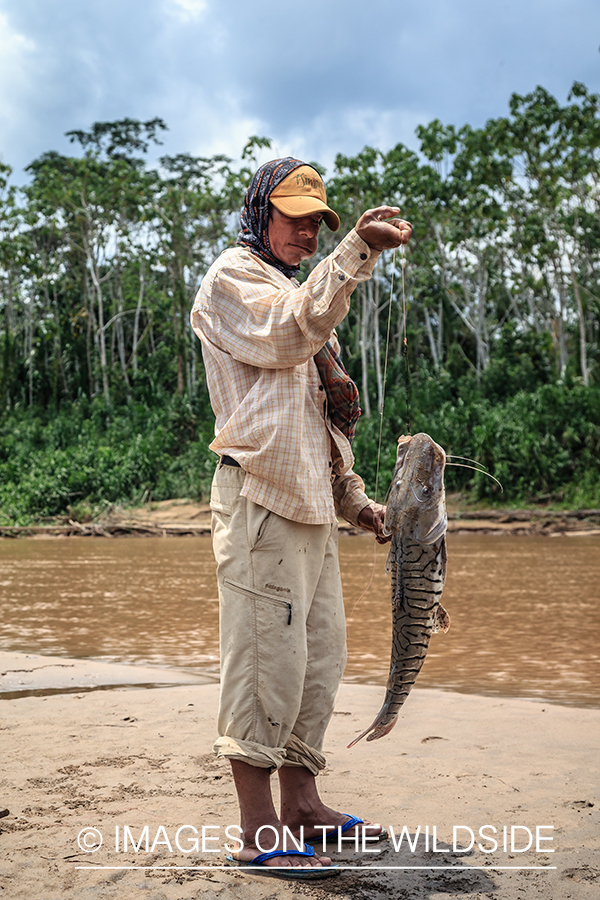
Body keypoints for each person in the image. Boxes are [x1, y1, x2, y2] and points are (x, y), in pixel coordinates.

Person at [190, 157, 411, 877]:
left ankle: (304, 807)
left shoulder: (304, 292)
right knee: (265, 663)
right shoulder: (236, 281)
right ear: (261, 213)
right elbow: (290, 332)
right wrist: (360, 252)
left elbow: (317, 423)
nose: (310, 232)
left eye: (320, 222)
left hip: (312, 506)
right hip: (260, 500)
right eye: (295, 218)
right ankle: (259, 831)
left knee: (316, 662)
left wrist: (359, 503)